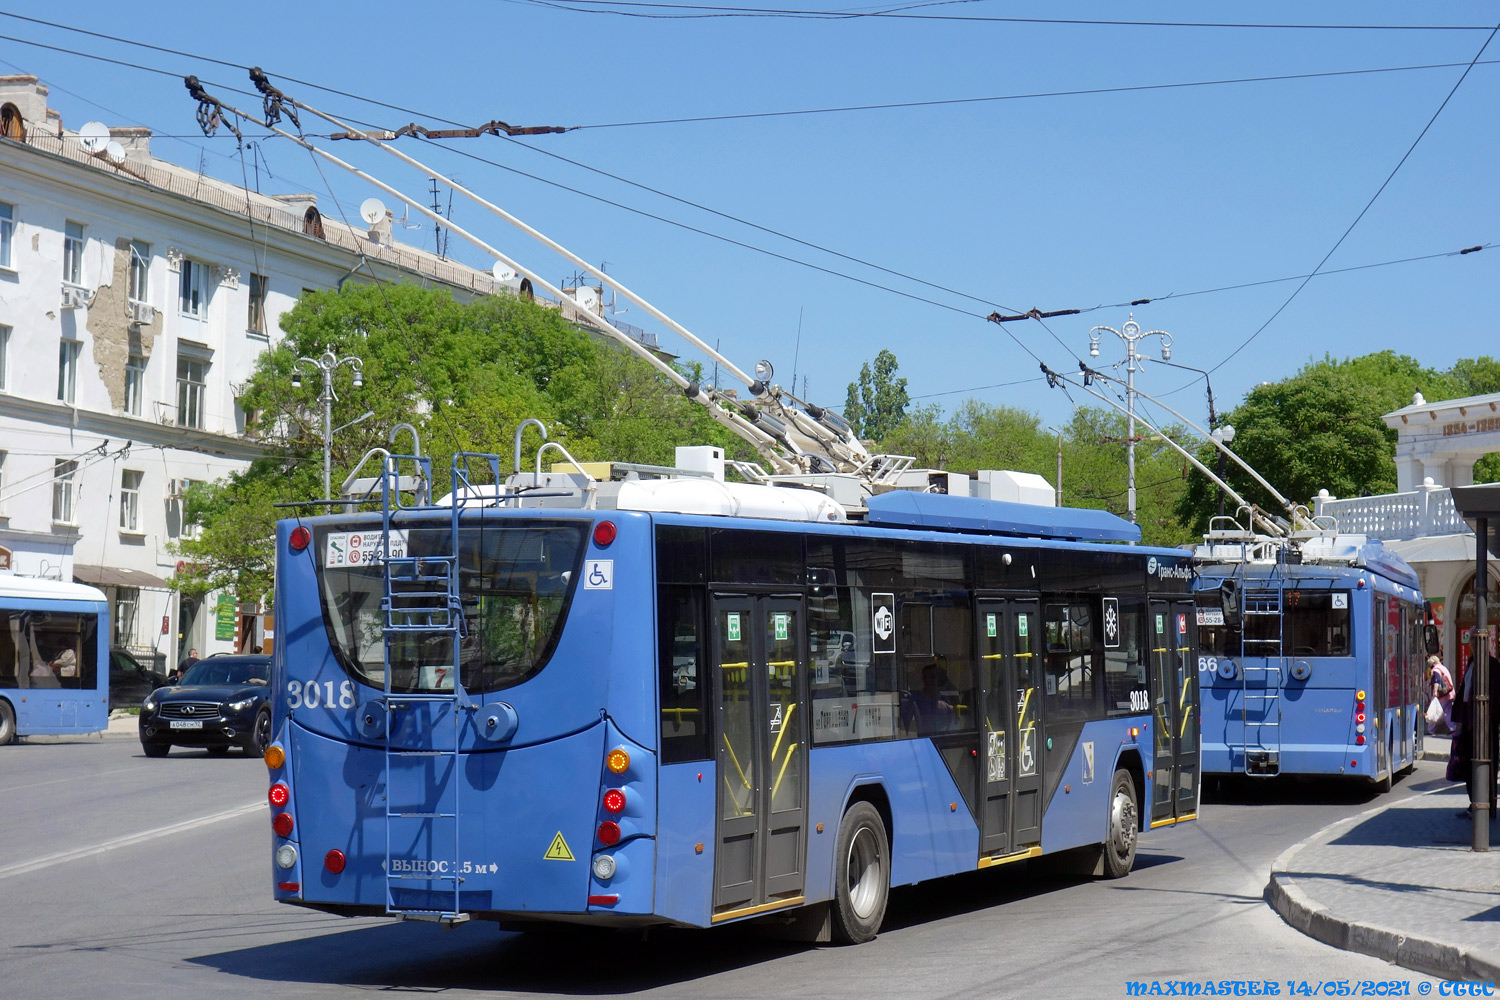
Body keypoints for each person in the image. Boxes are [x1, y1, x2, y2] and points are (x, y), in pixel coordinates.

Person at [1427, 653, 1455, 736]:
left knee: (1435, 710)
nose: (1430, 666)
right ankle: (1452, 727)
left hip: (1442, 695)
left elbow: (1437, 681)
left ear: (1433, 663)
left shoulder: (1436, 669)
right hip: (1449, 693)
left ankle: (1430, 730)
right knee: (1448, 711)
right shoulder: (1443, 667)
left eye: (1430, 665)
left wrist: (1435, 692)